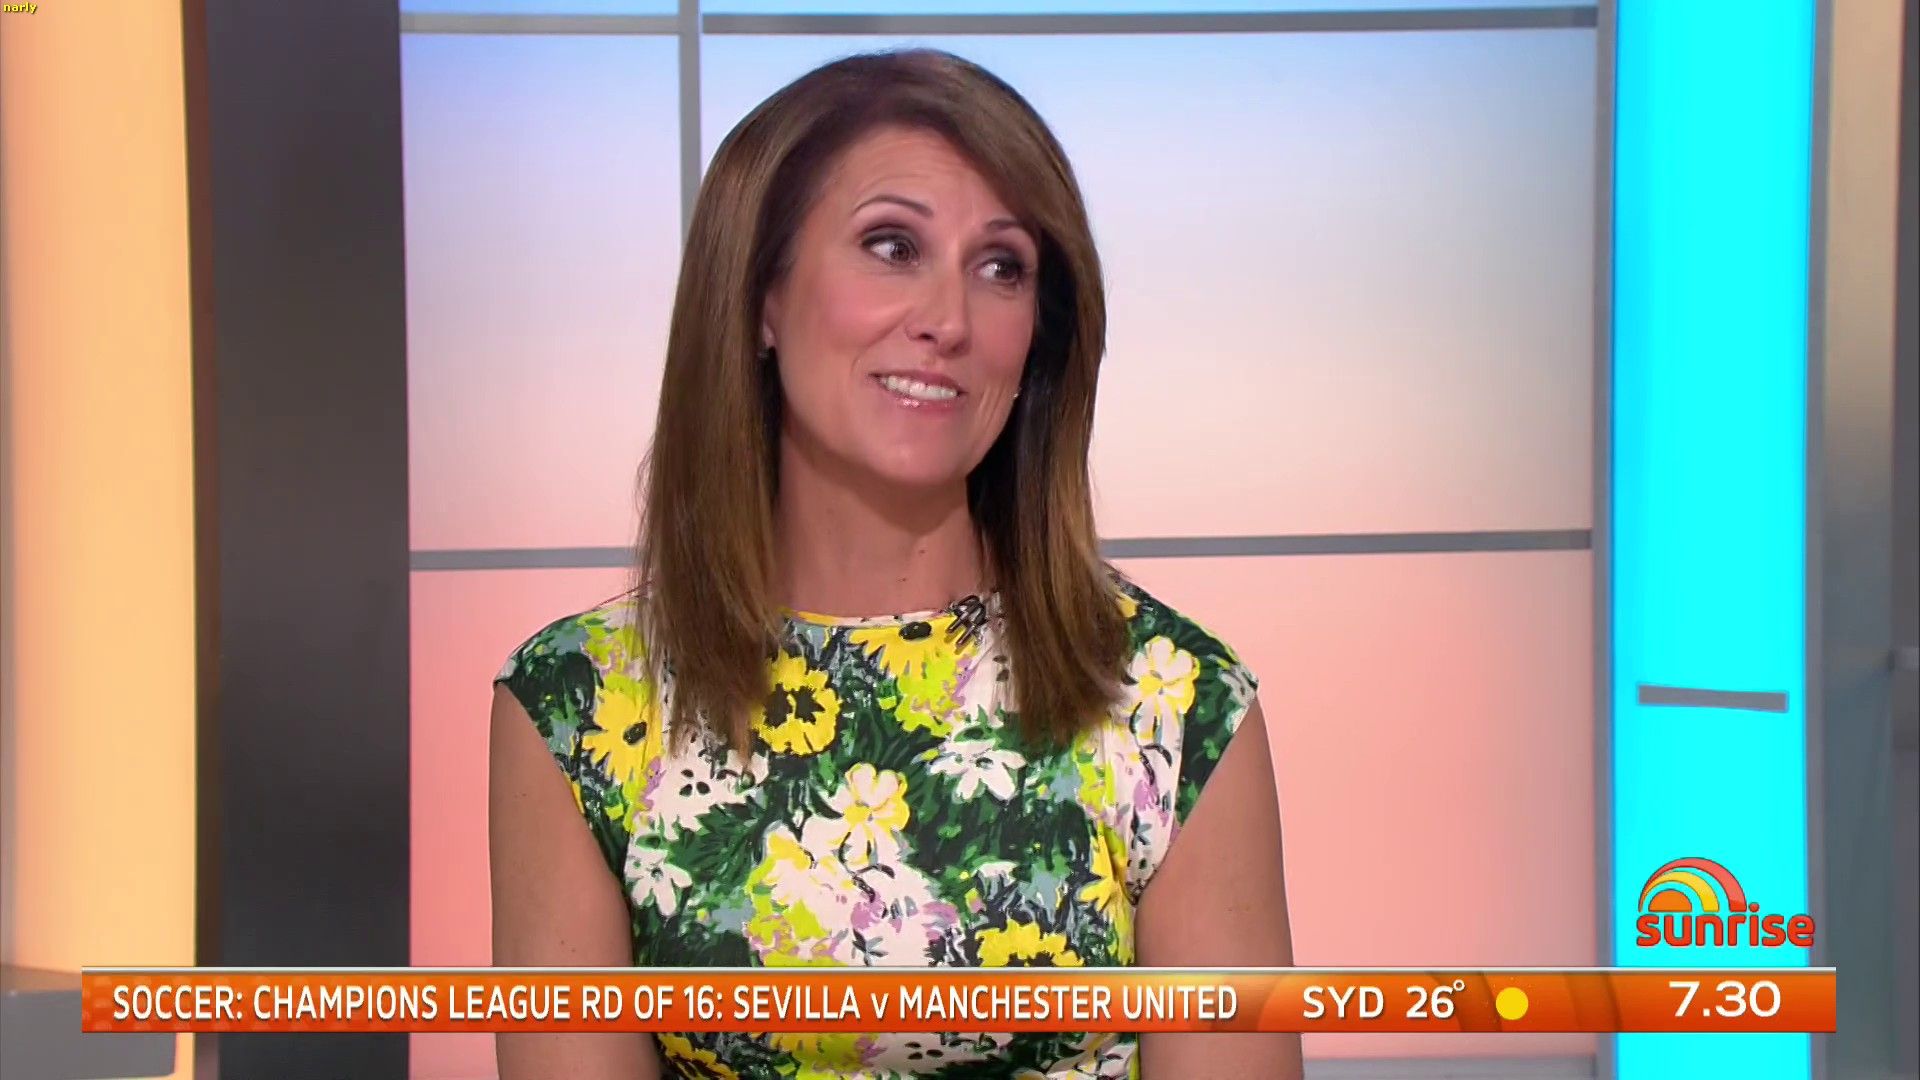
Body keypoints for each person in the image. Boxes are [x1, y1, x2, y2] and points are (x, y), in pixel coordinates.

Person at [488, 47, 1299, 1080]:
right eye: (891, 246)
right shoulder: (578, 707)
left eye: (1001, 267)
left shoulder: (1171, 704)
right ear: (762, 295)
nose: (949, 321)